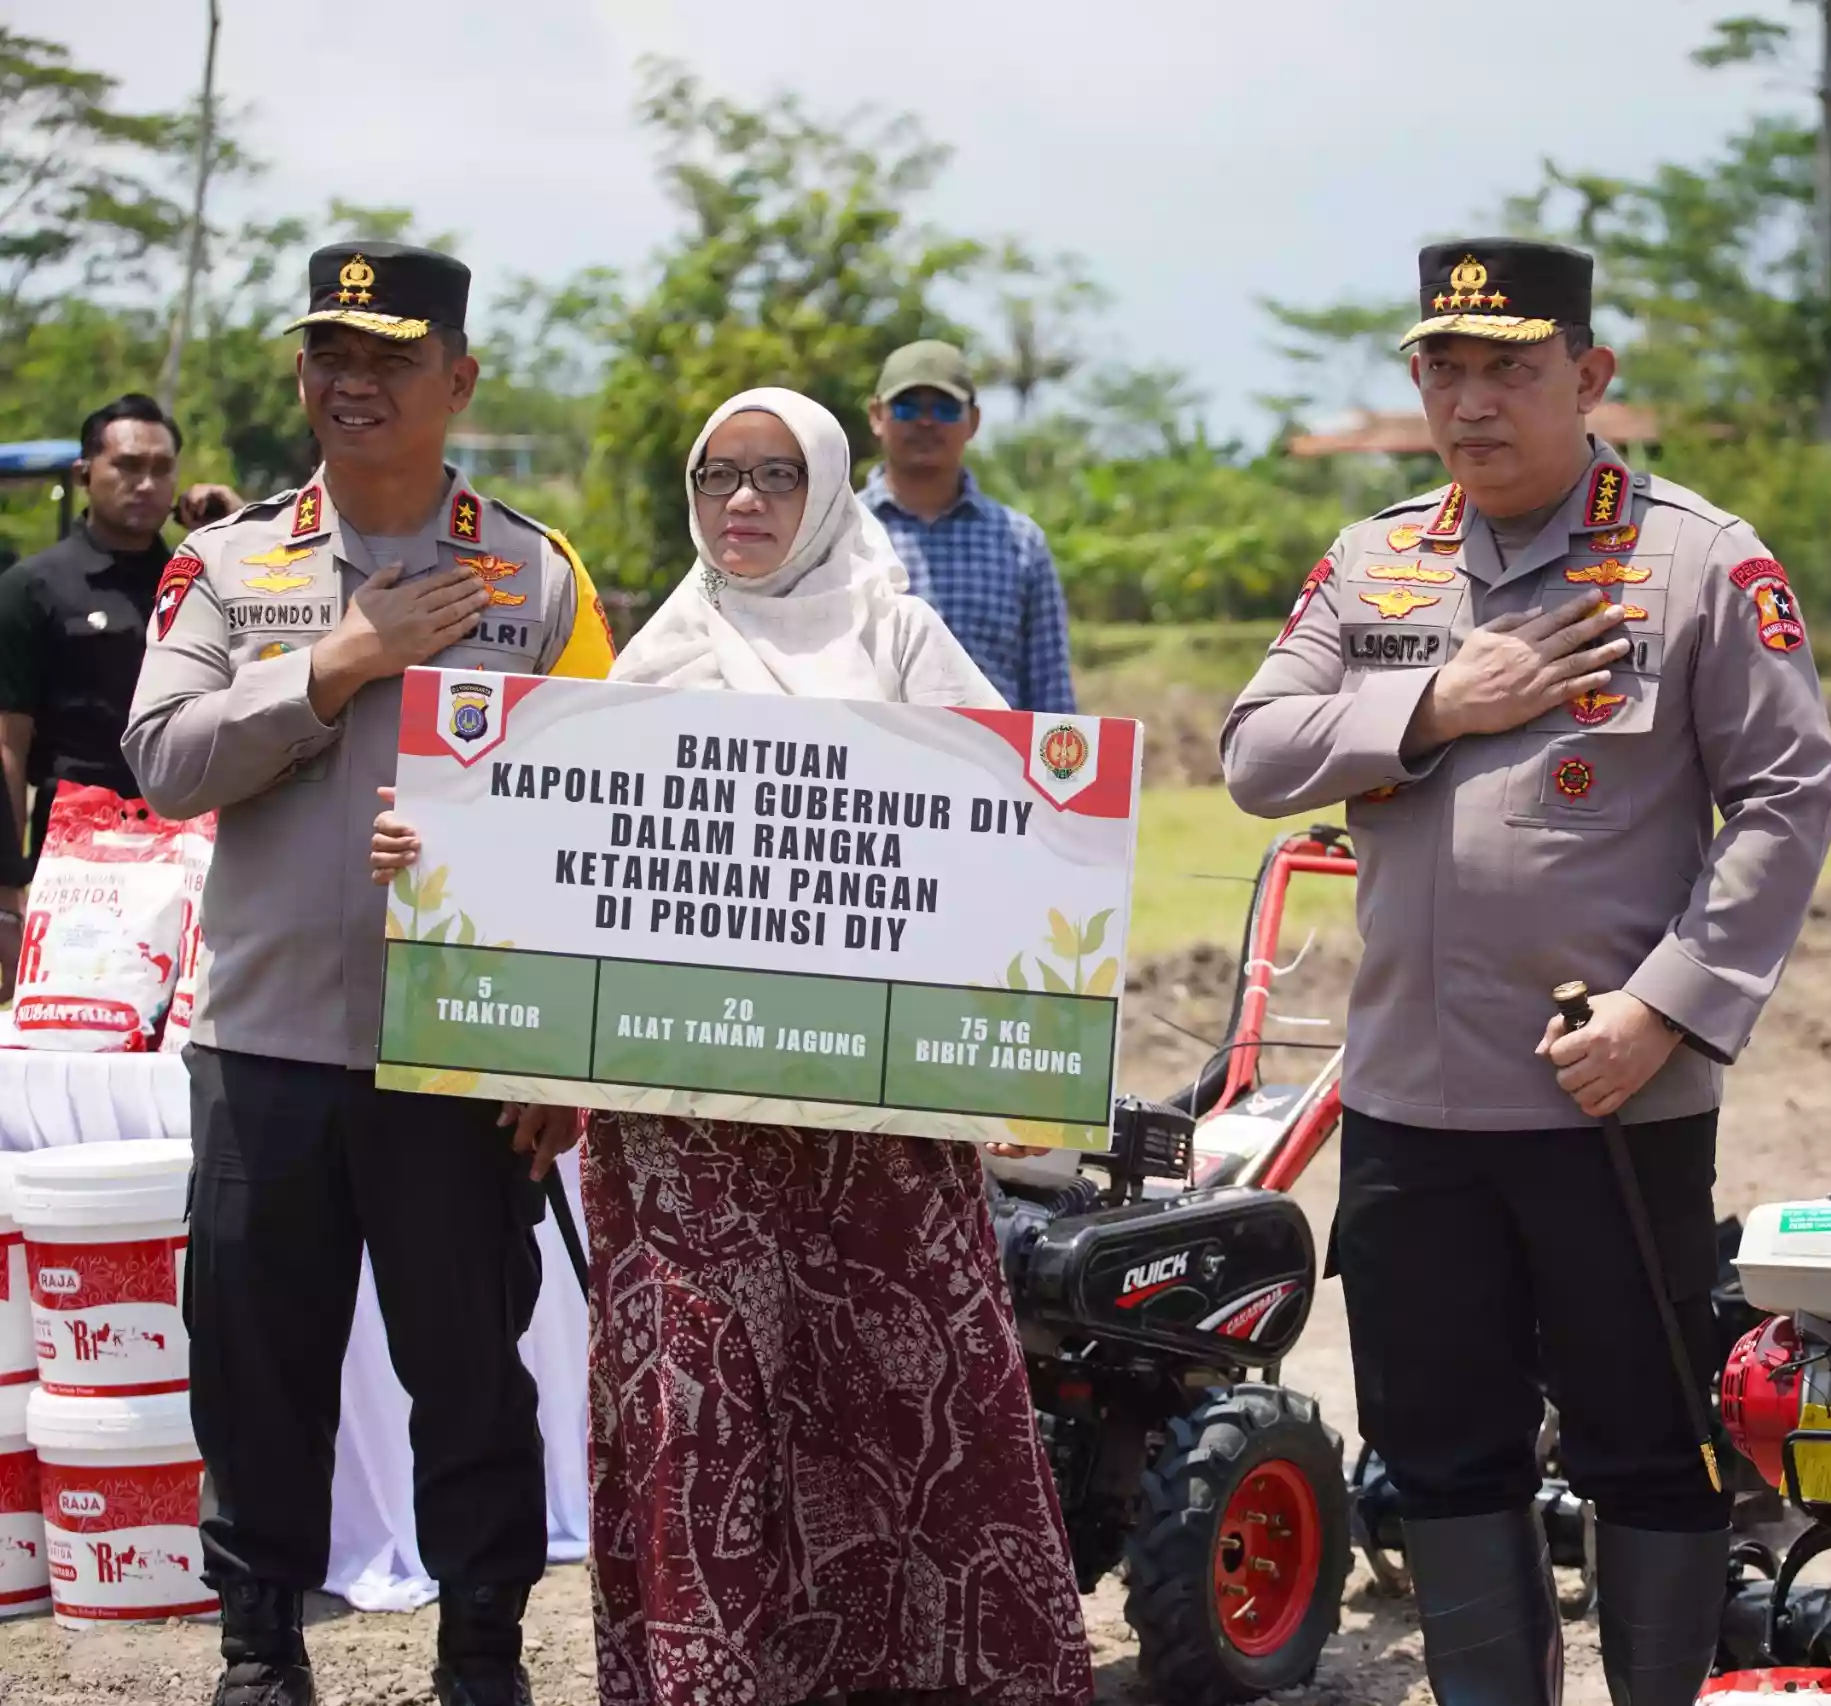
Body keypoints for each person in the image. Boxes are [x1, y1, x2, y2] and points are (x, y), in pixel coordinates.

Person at [375, 387, 1093, 1706]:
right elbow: (558, 860)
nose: (744, 503)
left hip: (871, 1144)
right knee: (705, 1422)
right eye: (717, 477)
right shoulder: (655, 659)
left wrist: (1018, 1054)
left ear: (825, 487)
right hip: (685, 1147)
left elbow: (1025, 831)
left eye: (772, 476)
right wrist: (442, 853)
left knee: (891, 1409)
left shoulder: (900, 634)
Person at [1224, 239, 1831, 1706]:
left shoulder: (1695, 555)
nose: (1475, 400)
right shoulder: (1379, 559)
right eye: (1445, 366)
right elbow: (1254, 752)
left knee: (1647, 1444)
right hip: (1411, 1108)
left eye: (1512, 367)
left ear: (1589, 374)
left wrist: (1666, 1007)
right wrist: (1437, 696)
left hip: (1608, 1095)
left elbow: (1787, 797)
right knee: (1443, 1454)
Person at [123, 242, 619, 1706]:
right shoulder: (225, 565)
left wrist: (559, 1058)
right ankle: (261, 1646)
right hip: (265, 1046)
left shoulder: (534, 575)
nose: (353, 382)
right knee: (257, 1362)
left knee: (471, 1371)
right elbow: (162, 761)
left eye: (392, 358)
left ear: (457, 382)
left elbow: (598, 815)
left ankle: (482, 1647)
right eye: (329, 354)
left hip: (455, 1059)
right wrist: (334, 664)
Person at [0, 393, 239, 983]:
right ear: (85, 474)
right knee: (75, 1033)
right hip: (76, 860)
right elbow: (8, 744)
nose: (146, 484)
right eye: (128, 466)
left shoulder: (200, 578)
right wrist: (8, 890)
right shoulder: (33, 588)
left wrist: (235, 526)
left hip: (190, 851)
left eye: (162, 469)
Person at [859, 340, 1077, 712]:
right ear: (877, 415)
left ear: (973, 421)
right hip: (866, 756)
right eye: (908, 405)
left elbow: (1050, 690)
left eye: (944, 408)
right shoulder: (839, 532)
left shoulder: (1020, 543)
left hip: (989, 763)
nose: (925, 421)